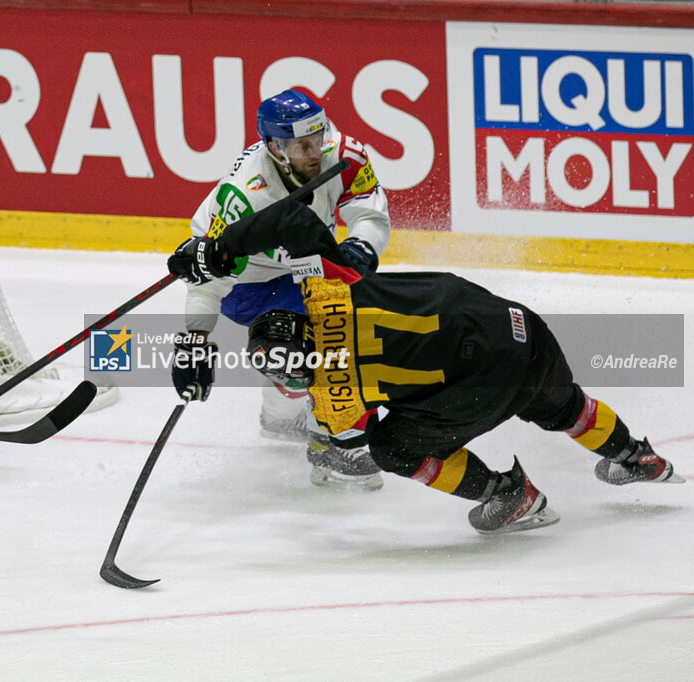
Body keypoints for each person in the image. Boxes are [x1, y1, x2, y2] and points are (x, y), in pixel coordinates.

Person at [169, 195, 684, 534]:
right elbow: (293, 219)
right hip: (513, 324)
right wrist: (216, 250)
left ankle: (512, 495)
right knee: (561, 403)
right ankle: (637, 458)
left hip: (487, 382)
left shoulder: (332, 401)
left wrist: (325, 451)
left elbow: (358, 454)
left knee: (393, 447)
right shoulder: (323, 287)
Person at [166, 89, 391, 490]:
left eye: (318, 138)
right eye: (302, 145)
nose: (314, 152)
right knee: (291, 350)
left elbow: (368, 207)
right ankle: (304, 417)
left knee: (344, 329)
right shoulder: (245, 195)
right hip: (249, 282)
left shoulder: (346, 154)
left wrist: (360, 246)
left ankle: (318, 426)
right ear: (275, 146)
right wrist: (195, 339)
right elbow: (211, 278)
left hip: (307, 259)